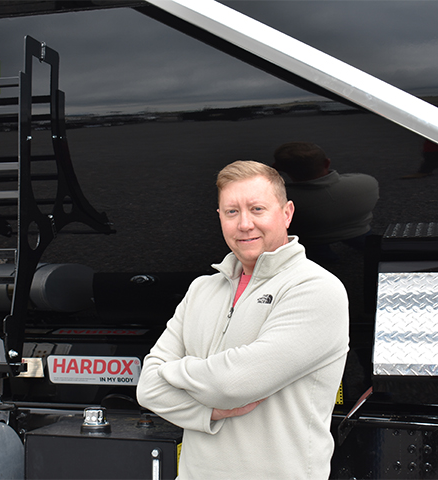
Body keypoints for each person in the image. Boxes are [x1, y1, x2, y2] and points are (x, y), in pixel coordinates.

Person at [136, 160, 349, 479]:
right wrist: (206, 408)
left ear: (287, 213)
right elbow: (147, 388)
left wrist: (171, 373)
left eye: (257, 209)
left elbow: (231, 385)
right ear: (220, 218)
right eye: (232, 212)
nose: (244, 224)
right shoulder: (202, 289)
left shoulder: (316, 290)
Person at [272, 141, 378, 261]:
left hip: (311, 237)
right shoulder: (367, 183)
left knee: (316, 252)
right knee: (366, 242)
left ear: (277, 168)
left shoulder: (282, 200)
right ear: (327, 163)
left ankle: (327, 259)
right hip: (358, 228)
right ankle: (370, 248)